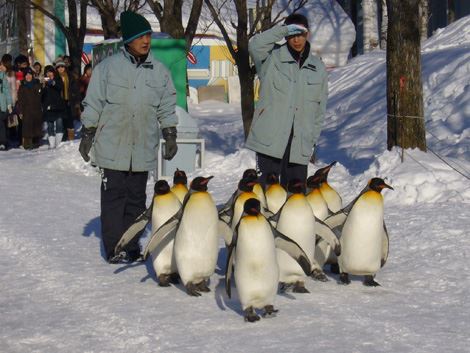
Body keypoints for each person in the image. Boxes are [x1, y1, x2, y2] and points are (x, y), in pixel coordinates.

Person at [79, 11, 178, 264]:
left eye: (148, 35)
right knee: (114, 198)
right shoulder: (107, 69)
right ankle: (115, 248)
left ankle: (131, 244)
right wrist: (87, 133)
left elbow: (167, 105)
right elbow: (93, 103)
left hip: (143, 145)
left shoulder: (159, 71)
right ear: (129, 40)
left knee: (136, 198)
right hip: (113, 144)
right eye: (140, 36)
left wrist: (170, 132)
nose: (146, 41)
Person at [245, 13, 328, 189]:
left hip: (299, 143)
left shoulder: (318, 67)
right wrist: (283, 30)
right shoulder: (271, 58)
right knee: (268, 193)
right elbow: (254, 45)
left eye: (300, 34)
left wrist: (311, 139)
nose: (296, 40)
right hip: (270, 140)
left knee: (295, 197)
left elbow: (320, 109)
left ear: (308, 34)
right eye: (291, 35)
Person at [17, 67, 43, 149]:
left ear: (32, 75)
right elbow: (20, 100)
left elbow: (41, 96)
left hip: (36, 109)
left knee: (36, 126)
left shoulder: (37, 84)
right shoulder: (22, 87)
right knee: (27, 127)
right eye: (27, 75)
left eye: (30, 75)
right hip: (26, 110)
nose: (28, 76)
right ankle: (27, 144)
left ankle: (36, 142)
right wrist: (20, 111)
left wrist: (40, 86)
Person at [55, 59, 80, 141]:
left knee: (70, 119)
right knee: (62, 120)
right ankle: (63, 136)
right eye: (58, 67)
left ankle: (71, 138)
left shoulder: (70, 76)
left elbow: (75, 89)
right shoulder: (56, 77)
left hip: (69, 100)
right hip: (60, 101)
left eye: (62, 66)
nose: (61, 68)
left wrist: (76, 100)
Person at [42, 65, 66, 148]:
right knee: (50, 125)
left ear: (53, 72)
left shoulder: (58, 79)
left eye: (50, 72)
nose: (49, 74)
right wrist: (42, 86)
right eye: (47, 72)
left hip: (58, 106)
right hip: (48, 106)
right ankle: (52, 144)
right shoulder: (44, 83)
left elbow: (60, 87)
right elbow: (41, 95)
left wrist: (52, 82)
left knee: (59, 124)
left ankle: (58, 143)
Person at [0, 58, 13, 150]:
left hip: (2, 103)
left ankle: (2, 142)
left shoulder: (3, 76)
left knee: (1, 123)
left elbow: (7, 91)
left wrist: (9, 103)